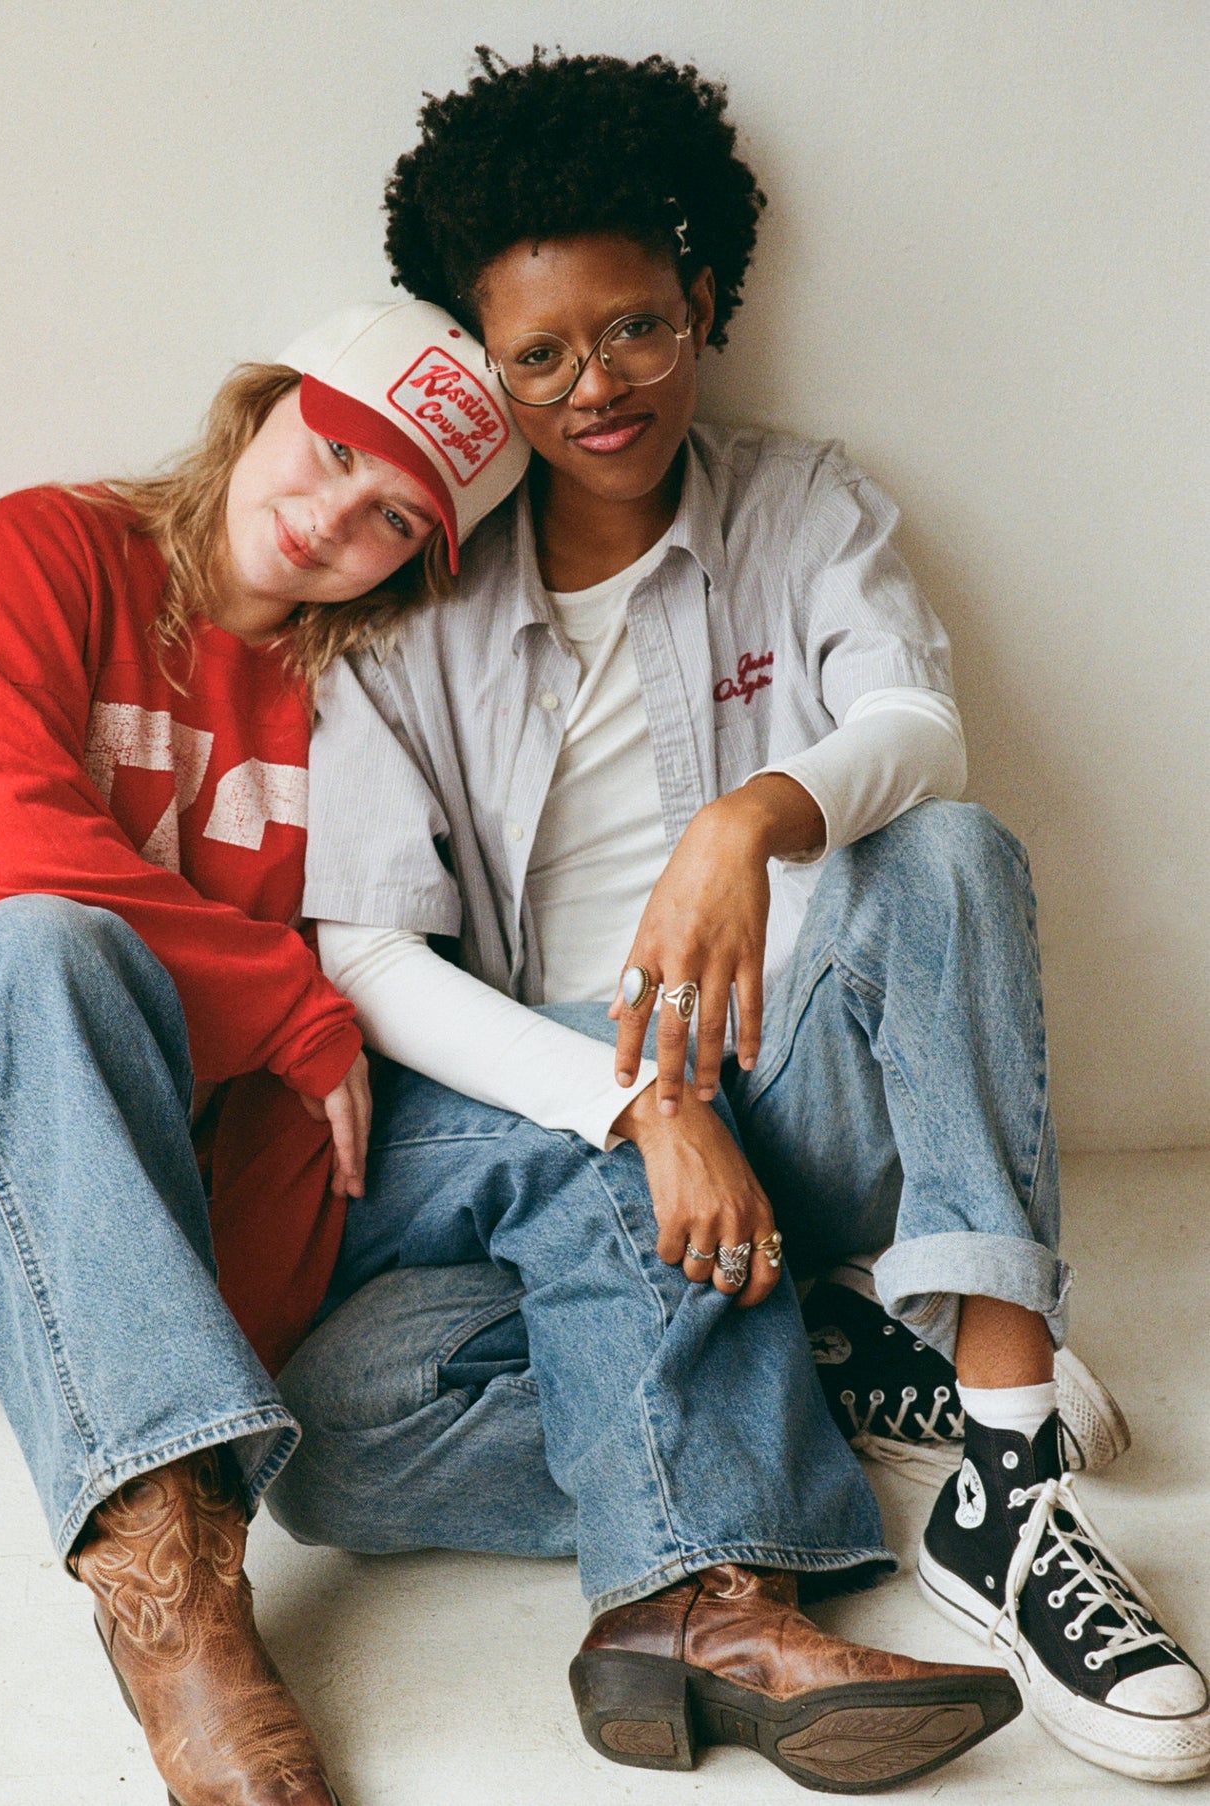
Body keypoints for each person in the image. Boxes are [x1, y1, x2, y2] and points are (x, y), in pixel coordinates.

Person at [272, 48, 1210, 1789]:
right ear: (487, 367)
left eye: (633, 325)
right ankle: (830, 1387)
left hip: (790, 1086)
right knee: (327, 1448)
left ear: (702, 295)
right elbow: (371, 957)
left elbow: (913, 728)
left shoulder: (801, 503)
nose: (595, 385)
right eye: (538, 352)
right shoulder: (412, 598)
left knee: (944, 853)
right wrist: (633, 1100)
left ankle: (1005, 1477)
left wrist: (748, 817)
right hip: (559, 1150)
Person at [0, 300, 527, 1806]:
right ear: (258, 404)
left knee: (487, 1136)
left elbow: (287, 1116)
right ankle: (184, 1625)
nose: (329, 518)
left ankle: (783, 1410)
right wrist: (285, 994)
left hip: (140, 1227)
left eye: (391, 513)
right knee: (41, 944)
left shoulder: (353, 703)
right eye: (326, 449)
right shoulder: (47, 553)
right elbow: (9, 856)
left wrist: (217, 1345)